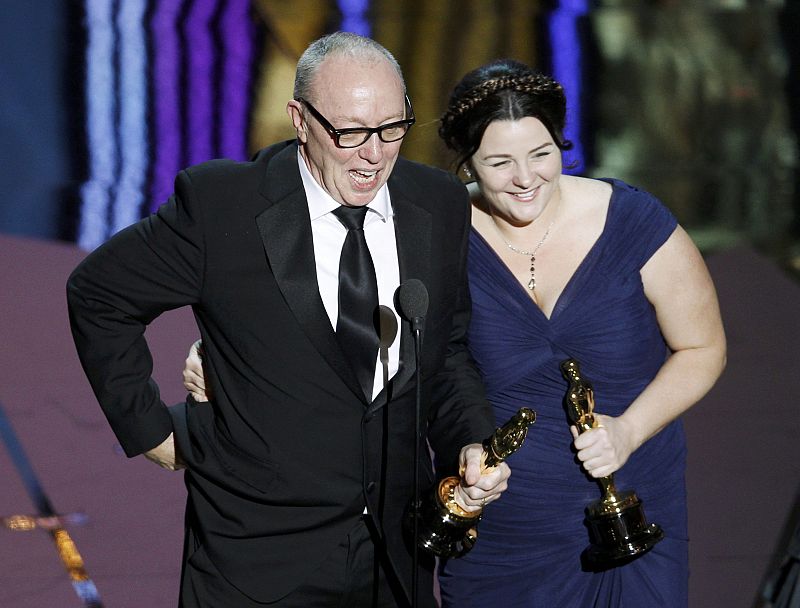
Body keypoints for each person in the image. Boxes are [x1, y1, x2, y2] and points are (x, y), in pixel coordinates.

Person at [187, 58, 726, 606]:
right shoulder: (434, 229)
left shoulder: (632, 221)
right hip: (497, 523)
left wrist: (630, 430)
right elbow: (332, 307)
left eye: (541, 154)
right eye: (500, 162)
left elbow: (703, 347)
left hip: (631, 511)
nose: (525, 178)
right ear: (466, 164)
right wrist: (225, 353)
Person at [67, 32, 510, 608]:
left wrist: (471, 443)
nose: (374, 154)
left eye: (392, 128)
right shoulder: (222, 206)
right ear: (300, 120)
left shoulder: (438, 202)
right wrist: (150, 432)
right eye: (349, 132)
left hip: (396, 555)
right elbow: (99, 294)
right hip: (257, 559)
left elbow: (445, 353)